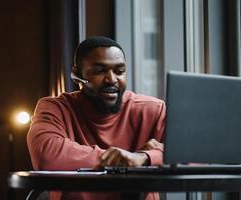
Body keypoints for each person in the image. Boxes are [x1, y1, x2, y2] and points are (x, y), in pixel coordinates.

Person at [27, 36, 166, 200]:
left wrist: (143, 158)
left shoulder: (153, 109)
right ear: (77, 75)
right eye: (100, 71)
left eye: (119, 71)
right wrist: (123, 161)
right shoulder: (54, 108)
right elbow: (46, 155)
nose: (112, 79)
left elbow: (195, 156)